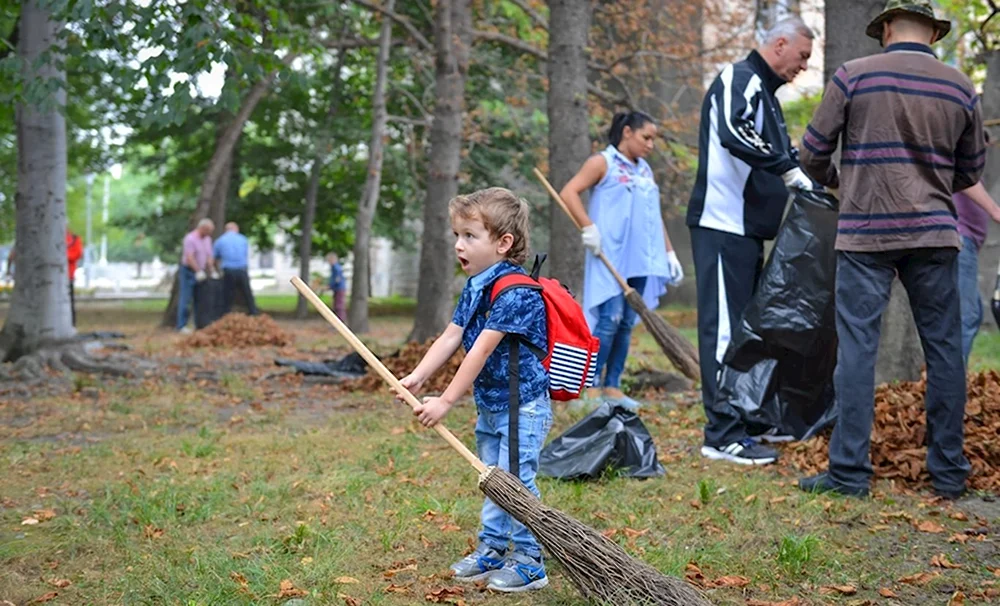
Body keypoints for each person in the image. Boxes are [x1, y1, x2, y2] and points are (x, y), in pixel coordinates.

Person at [797, 0, 988, 499]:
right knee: (946, 352)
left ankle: (849, 475)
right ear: (933, 34)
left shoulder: (852, 75)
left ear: (885, 28)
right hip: (934, 234)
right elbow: (971, 171)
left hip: (866, 231)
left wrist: (842, 182)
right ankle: (948, 475)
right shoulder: (960, 85)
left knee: (858, 351)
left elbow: (812, 151)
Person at [398, 188, 551, 592]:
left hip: (522, 407)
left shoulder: (516, 291)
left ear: (504, 243)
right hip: (492, 405)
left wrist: (446, 400)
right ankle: (493, 548)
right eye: (456, 235)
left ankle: (530, 559)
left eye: (469, 235)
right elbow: (451, 337)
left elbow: (481, 349)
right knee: (492, 477)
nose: (458, 245)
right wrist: (417, 377)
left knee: (516, 481)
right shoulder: (476, 285)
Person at [686, 17, 815, 465]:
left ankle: (746, 418)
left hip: (747, 232)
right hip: (721, 226)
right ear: (779, 44)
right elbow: (733, 130)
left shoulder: (768, 95)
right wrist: (786, 167)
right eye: (802, 56)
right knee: (723, 330)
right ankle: (721, 435)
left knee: (746, 330)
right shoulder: (737, 78)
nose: (803, 66)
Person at [559, 111, 684, 409]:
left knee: (627, 321)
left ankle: (613, 386)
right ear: (627, 132)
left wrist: (669, 252)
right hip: (610, 254)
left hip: (640, 259)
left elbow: (654, 216)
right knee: (610, 319)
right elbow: (569, 192)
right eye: (646, 137)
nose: (651, 145)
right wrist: (588, 226)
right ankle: (589, 387)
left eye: (653, 139)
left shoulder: (645, 171)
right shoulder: (603, 162)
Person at [954, 174, 1000, 366]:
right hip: (959, 238)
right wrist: (995, 211)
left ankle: (948, 384)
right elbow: (962, 176)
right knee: (967, 316)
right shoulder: (956, 146)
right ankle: (950, 389)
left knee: (973, 313)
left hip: (966, 241)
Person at [176, 218, 216, 333]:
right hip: (189, 271)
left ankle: (200, 323)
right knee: (186, 298)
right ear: (202, 228)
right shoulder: (190, 238)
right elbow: (189, 257)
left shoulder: (207, 239)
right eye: (208, 231)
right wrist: (198, 270)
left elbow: (209, 256)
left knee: (200, 298)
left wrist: (212, 269)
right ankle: (181, 325)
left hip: (202, 270)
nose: (209, 234)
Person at [213, 222, 258, 316]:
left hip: (228, 270)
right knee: (247, 293)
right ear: (236, 229)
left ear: (226, 230)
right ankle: (254, 313)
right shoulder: (243, 239)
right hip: (242, 270)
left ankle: (225, 315)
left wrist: (216, 270)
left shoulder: (220, 240)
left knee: (227, 294)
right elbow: (245, 254)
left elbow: (215, 258)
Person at [66, 229, 83, 327]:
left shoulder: (74, 239)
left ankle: (71, 324)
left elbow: (77, 254)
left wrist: (64, 256)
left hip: (69, 276)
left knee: (69, 302)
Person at [327, 253, 347, 320]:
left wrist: (330, 286)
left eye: (329, 260)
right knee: (336, 306)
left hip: (339, 288)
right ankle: (337, 321)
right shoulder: (334, 267)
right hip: (337, 288)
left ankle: (340, 322)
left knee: (339, 306)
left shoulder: (336, 268)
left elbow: (337, 279)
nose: (329, 262)